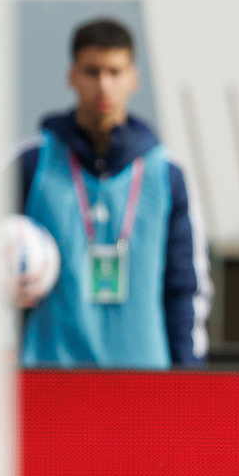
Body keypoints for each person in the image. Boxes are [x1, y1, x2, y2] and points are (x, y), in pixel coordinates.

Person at [17, 18, 211, 368]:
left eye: (114, 71)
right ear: (71, 75)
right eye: (92, 71)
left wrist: (188, 379)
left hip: (145, 386)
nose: (103, 85)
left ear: (133, 78)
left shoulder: (168, 174)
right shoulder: (31, 164)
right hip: (48, 381)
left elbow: (185, 289)